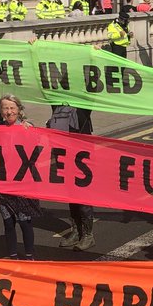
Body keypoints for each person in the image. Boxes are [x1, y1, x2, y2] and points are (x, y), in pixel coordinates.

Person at [0, 95, 43, 259]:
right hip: (3, 183)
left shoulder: (27, 128)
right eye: (5, 108)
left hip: (24, 182)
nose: (9, 112)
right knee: (8, 222)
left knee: (25, 221)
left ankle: (30, 255)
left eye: (12, 108)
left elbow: (36, 152)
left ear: (19, 109)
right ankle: (13, 256)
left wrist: (31, 134)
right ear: (1, 110)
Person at [46, 104, 96, 251]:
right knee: (70, 193)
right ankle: (76, 231)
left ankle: (88, 234)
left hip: (82, 151)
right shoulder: (57, 98)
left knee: (82, 192)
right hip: (63, 148)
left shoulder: (82, 100)